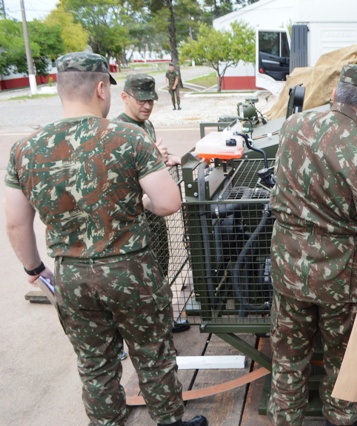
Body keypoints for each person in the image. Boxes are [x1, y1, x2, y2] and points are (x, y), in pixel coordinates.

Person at [4, 52, 207, 426]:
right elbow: (166, 203)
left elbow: (16, 224)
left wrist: (34, 267)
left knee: (95, 363)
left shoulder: (24, 149)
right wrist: (138, 198)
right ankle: (170, 422)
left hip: (72, 276)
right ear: (102, 88)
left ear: (60, 90)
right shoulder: (129, 137)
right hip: (131, 271)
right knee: (152, 354)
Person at [268, 64, 357, 426]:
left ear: (335, 95)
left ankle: (284, 419)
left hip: (288, 265)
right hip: (341, 274)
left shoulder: (293, 126)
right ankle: (341, 419)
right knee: (345, 360)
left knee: (288, 356)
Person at [116, 73, 188, 335]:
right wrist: (154, 157)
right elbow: (118, 179)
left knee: (161, 263)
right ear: (124, 97)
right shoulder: (119, 131)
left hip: (153, 210)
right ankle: (142, 329)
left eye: (151, 101)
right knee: (139, 277)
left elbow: (151, 166)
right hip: (134, 215)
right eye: (141, 101)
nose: (146, 106)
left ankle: (163, 320)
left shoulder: (147, 126)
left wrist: (170, 159)